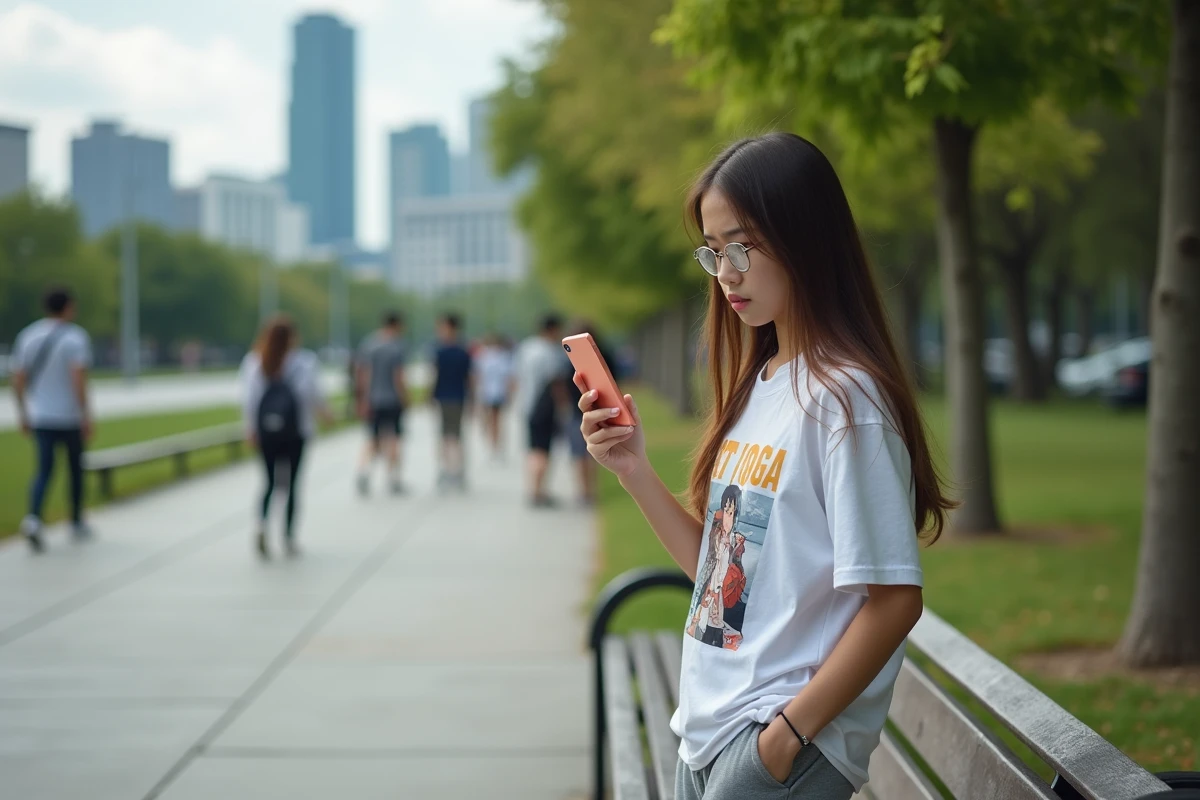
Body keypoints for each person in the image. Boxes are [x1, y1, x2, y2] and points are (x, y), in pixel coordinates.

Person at [576, 133, 954, 800]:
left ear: (804, 238)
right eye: (714, 251)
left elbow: (895, 601)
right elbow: (722, 583)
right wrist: (633, 468)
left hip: (774, 744)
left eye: (742, 246)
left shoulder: (846, 401)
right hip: (709, 731)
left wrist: (785, 739)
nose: (726, 272)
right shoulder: (764, 385)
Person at [240, 314, 332, 558]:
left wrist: (250, 428)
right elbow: (312, 395)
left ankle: (261, 525)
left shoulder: (254, 362)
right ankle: (288, 536)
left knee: (269, 482)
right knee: (292, 484)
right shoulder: (304, 362)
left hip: (266, 432)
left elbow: (249, 400)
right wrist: (326, 414)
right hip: (296, 431)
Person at [11, 286, 94, 553]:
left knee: (44, 470)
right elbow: (78, 379)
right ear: (68, 307)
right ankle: (76, 520)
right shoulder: (74, 338)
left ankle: (34, 518)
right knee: (75, 470)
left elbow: (18, 378)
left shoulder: (29, 336)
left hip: (42, 416)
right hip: (68, 417)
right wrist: (86, 414)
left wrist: (23, 412)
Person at [514, 314, 569, 507]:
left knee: (533, 449)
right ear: (553, 329)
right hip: (544, 407)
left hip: (527, 404)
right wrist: (564, 406)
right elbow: (556, 382)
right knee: (543, 451)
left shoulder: (527, 347)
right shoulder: (550, 352)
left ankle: (534, 490)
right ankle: (539, 492)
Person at [563, 320, 617, 506]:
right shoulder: (605, 354)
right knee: (590, 453)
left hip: (578, 410)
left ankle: (584, 491)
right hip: (597, 408)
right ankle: (588, 491)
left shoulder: (570, 357)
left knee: (581, 454)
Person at [355, 311, 409, 496]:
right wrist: (405, 398)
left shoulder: (369, 344)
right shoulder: (396, 347)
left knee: (372, 438)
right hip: (392, 399)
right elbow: (398, 376)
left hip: (373, 399)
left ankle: (363, 472)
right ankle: (393, 478)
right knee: (394, 438)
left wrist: (363, 398)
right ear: (396, 325)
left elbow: (362, 374)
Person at [431, 312, 473, 490]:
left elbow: (470, 378)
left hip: (450, 397)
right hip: (451, 397)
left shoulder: (442, 352)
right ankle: (452, 470)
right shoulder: (463, 351)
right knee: (450, 436)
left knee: (450, 437)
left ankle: (452, 470)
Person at [472, 333, 515, 460]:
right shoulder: (499, 357)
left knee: (494, 420)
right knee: (495, 420)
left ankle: (494, 444)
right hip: (494, 392)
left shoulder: (486, 357)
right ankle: (495, 444)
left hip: (491, 392)